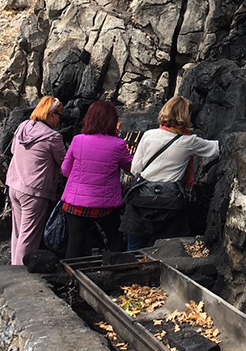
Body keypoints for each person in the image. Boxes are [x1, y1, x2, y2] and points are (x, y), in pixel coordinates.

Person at [122, 96, 220, 251]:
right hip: (170, 202)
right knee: (165, 248)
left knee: (134, 245)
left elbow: (135, 169)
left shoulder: (149, 135)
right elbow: (216, 149)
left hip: (141, 199)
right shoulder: (190, 142)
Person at [61, 100, 133, 258]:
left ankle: (70, 279)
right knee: (115, 240)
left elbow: (65, 170)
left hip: (74, 205)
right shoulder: (118, 144)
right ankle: (120, 273)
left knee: (75, 243)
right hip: (104, 206)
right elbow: (131, 168)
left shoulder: (78, 140)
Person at [6, 96, 66, 265]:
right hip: (34, 190)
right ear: (51, 114)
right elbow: (65, 164)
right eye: (59, 115)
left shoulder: (23, 127)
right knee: (29, 236)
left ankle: (12, 269)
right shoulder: (53, 137)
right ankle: (20, 276)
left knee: (17, 233)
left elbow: (13, 150)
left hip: (14, 185)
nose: (60, 119)